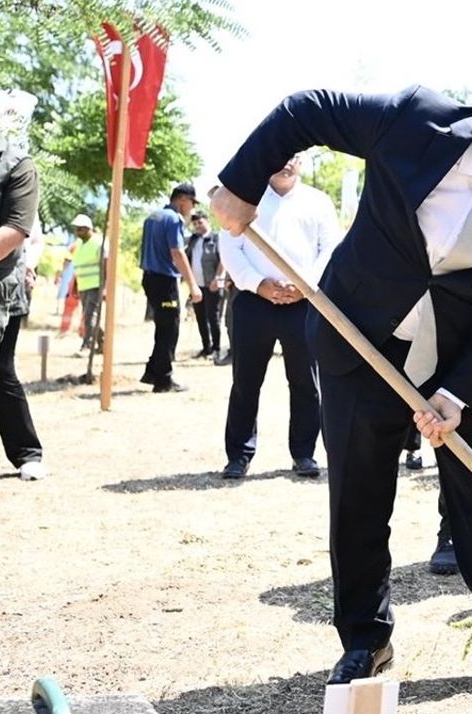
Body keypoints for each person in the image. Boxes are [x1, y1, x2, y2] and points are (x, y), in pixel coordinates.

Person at [212, 74, 472, 687]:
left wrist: (456, 394)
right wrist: (241, 183)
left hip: (465, 356)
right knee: (358, 493)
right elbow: (308, 109)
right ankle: (366, 641)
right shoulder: (416, 122)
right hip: (361, 334)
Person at [218, 155, 340, 480]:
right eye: (281, 154)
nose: (286, 162)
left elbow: (330, 248)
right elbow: (230, 247)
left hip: (304, 303)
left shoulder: (318, 201)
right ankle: (238, 456)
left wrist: (305, 286)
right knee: (246, 381)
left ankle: (304, 454)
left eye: (293, 157)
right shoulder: (247, 197)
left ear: (301, 161)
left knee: (305, 383)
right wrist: (260, 285)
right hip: (253, 301)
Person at [0, 126, 46, 481]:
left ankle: (27, 452)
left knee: (0, 370)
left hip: (1, 284)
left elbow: (14, 231)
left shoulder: (18, 166)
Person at [139, 183, 202, 392]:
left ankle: (151, 371)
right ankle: (163, 379)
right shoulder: (173, 219)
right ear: (183, 199)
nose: (191, 209)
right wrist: (193, 285)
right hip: (164, 280)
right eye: (191, 203)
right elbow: (177, 253)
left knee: (162, 326)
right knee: (169, 329)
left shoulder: (152, 216)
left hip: (149, 277)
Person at [185, 211, 224, 359]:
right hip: (197, 286)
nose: (197, 226)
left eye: (200, 222)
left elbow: (223, 260)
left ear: (207, 221)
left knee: (213, 317)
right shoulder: (192, 240)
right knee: (200, 317)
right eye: (194, 224)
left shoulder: (216, 238)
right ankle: (206, 348)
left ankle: (217, 348)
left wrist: (218, 278)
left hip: (212, 284)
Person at [68, 214, 105, 353]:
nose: (77, 232)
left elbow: (105, 265)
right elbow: (78, 266)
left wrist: (105, 287)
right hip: (83, 285)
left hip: (96, 285)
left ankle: (87, 344)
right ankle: (103, 342)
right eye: (76, 229)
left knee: (90, 316)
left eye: (80, 229)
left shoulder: (98, 243)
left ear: (88, 229)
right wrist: (76, 286)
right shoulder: (78, 245)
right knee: (89, 316)